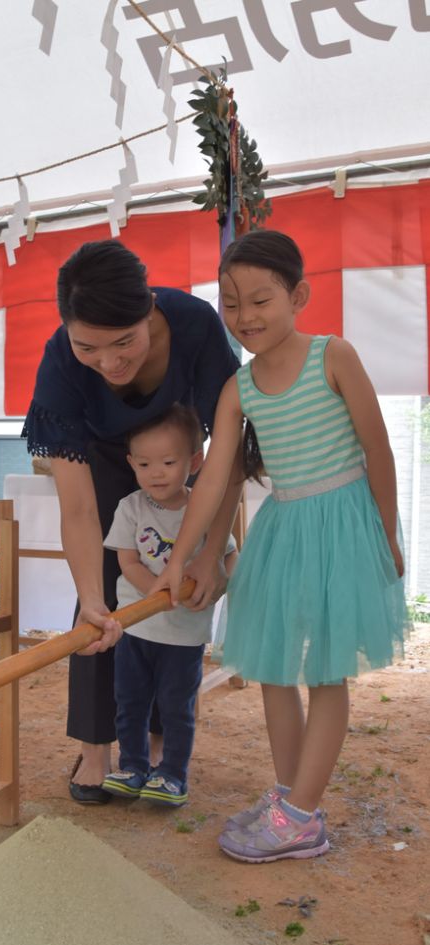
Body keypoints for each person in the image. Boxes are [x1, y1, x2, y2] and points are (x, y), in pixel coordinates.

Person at [153, 229, 407, 860]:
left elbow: (378, 449)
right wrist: (181, 557)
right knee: (271, 667)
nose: (245, 317)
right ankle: (293, 797)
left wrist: (387, 531)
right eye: (232, 303)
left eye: (261, 300)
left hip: (343, 524)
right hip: (284, 528)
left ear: (299, 295)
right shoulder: (237, 388)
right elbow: (214, 478)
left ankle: (300, 818)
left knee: (325, 673)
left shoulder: (333, 356)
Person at [23, 239, 242, 802]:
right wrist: (93, 597)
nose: (110, 361)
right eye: (88, 347)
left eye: (125, 342)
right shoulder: (60, 361)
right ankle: (96, 748)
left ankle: (159, 743)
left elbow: (229, 452)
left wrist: (209, 553)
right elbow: (77, 507)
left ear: (149, 309)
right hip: (103, 458)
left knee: (178, 580)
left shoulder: (194, 324)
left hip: (182, 458)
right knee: (98, 606)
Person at [101, 404, 237, 806]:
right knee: (130, 702)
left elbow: (226, 557)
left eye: (167, 461)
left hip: (185, 637)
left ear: (195, 462)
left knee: (177, 708)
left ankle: (173, 774)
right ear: (131, 463)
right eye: (144, 463)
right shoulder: (131, 507)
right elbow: (127, 561)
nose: (155, 472)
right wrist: (159, 596)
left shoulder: (205, 508)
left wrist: (214, 588)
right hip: (136, 628)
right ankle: (132, 767)